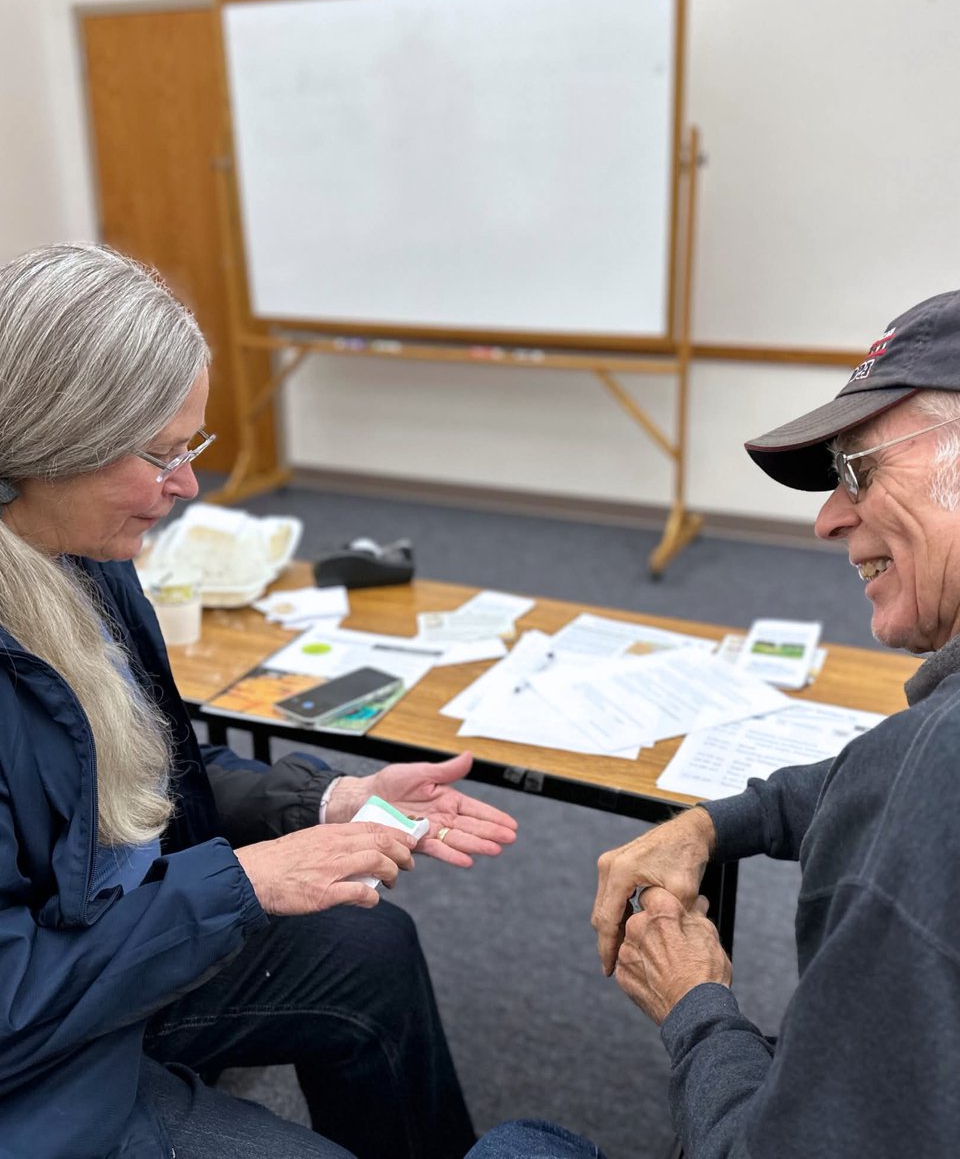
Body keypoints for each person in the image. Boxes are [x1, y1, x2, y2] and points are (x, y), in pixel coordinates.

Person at [0, 242, 519, 1159]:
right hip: (40, 1064)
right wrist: (242, 883)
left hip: (107, 945)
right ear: (50, 442)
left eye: (189, 446)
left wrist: (328, 800)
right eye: (162, 454)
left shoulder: (78, 554)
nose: (188, 484)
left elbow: (146, 776)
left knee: (369, 948)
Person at [467, 286, 960, 1159]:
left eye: (857, 470)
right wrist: (716, 822)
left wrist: (695, 1007)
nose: (827, 518)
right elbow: (878, 780)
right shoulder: (912, 769)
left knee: (516, 1147)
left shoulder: (925, 792)